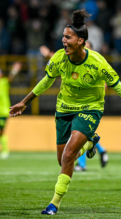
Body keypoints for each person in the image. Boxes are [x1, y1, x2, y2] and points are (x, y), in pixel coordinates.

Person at [9, 9, 121, 215]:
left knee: (69, 154)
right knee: (62, 159)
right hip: (64, 109)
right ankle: (91, 142)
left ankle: (54, 203)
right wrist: (24, 102)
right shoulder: (59, 58)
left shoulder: (98, 63)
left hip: (90, 109)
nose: (63, 40)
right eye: (63, 36)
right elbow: (47, 80)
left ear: (80, 41)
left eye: (67, 37)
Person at [39, 41, 109, 170]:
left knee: (77, 135)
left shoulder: (96, 65)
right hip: (73, 105)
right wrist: (49, 54)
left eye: (87, 48)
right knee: (80, 136)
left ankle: (83, 164)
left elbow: (104, 86)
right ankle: (100, 149)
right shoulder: (73, 62)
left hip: (89, 106)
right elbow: (60, 59)